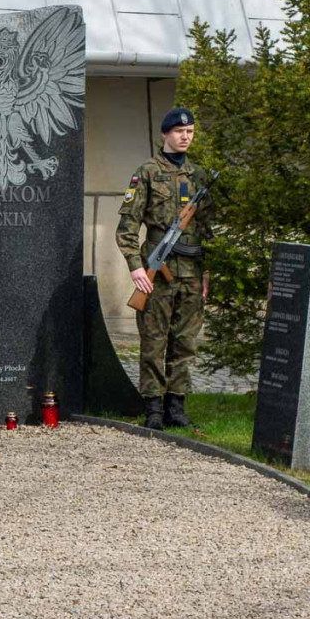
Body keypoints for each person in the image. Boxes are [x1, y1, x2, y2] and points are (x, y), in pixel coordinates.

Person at [116, 107, 213, 430]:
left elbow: (207, 231)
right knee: (154, 341)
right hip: (156, 272)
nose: (185, 137)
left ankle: (177, 405)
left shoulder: (199, 176)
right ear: (165, 134)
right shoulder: (147, 172)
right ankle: (154, 407)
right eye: (179, 132)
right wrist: (136, 268)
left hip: (191, 272)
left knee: (185, 342)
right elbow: (127, 227)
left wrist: (207, 273)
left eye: (190, 132)